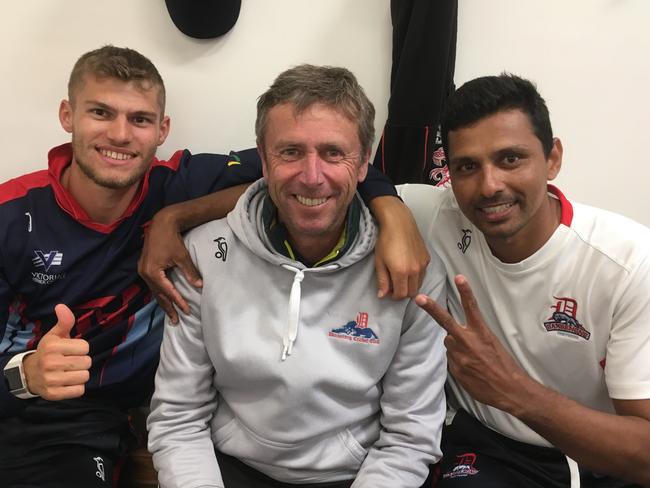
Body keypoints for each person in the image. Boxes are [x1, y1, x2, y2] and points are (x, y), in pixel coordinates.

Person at [0, 46, 428, 488]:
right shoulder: (10, 216)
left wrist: (393, 212)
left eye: (140, 119)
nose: (120, 135)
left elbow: (325, 166)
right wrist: (24, 376)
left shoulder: (178, 186)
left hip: (113, 418)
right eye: (100, 113)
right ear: (67, 115)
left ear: (162, 129)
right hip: (34, 406)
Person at [146, 64, 448, 488]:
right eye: (290, 152)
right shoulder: (202, 255)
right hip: (228, 467)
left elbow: (409, 439)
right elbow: (178, 418)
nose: (311, 176)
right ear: (263, 160)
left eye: (333, 153)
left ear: (363, 163)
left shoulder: (411, 269)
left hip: (355, 475)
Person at [405, 74, 650, 487]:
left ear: (552, 158)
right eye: (468, 166)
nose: (489, 186)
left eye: (510, 159)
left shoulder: (628, 261)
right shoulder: (437, 215)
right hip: (489, 449)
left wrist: (510, 389)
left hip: (606, 454)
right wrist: (389, 213)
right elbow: (323, 181)